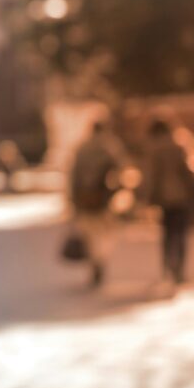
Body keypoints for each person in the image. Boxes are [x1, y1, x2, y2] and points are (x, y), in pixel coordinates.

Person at [143, 119, 194, 285]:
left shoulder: (154, 150)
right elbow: (188, 171)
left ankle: (168, 265)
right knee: (181, 233)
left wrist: (149, 198)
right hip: (182, 197)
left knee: (167, 234)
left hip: (164, 198)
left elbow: (151, 177)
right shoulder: (179, 145)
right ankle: (180, 269)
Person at [69, 120, 120, 288]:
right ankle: (100, 261)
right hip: (102, 198)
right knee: (103, 233)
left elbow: (73, 176)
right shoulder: (109, 148)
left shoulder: (82, 149)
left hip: (84, 199)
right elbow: (119, 171)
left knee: (89, 233)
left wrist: (73, 199)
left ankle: (94, 262)